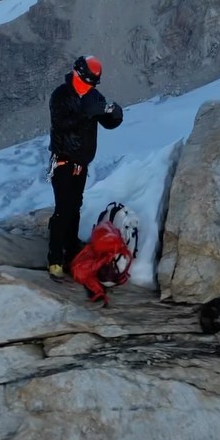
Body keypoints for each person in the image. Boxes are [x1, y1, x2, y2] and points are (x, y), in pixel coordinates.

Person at [47, 55, 123, 277]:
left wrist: (114, 115)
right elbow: (61, 124)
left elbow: (106, 121)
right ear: (77, 73)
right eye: (87, 81)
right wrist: (85, 113)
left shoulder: (92, 95)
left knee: (75, 206)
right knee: (64, 209)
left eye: (92, 83)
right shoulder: (61, 95)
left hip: (81, 163)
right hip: (63, 161)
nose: (89, 86)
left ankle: (70, 250)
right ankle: (55, 259)